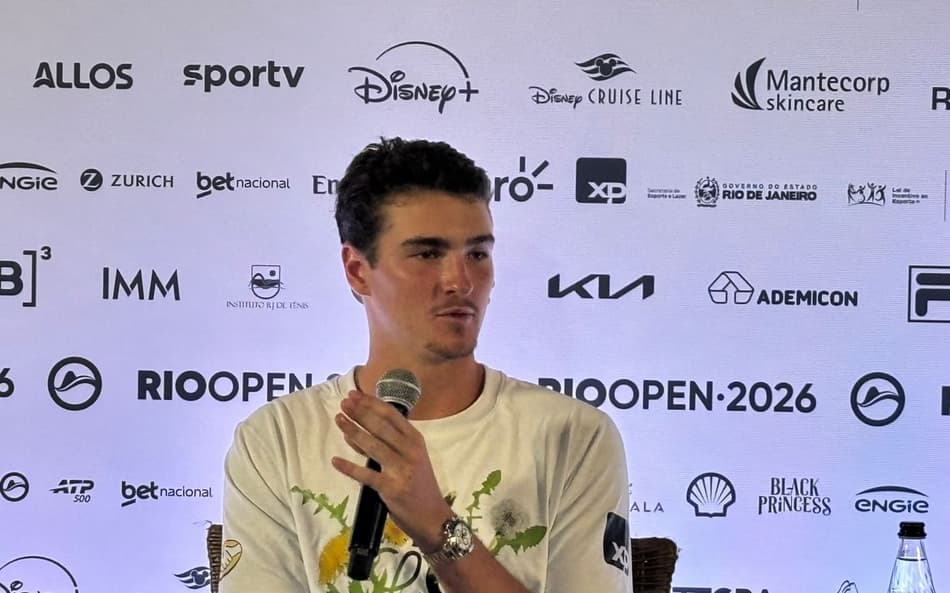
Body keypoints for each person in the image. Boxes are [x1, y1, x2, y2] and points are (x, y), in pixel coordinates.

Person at [220, 137, 632, 593]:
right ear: (358, 270)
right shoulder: (276, 439)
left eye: (477, 253)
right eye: (427, 253)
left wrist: (436, 525)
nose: (460, 281)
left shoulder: (573, 435)